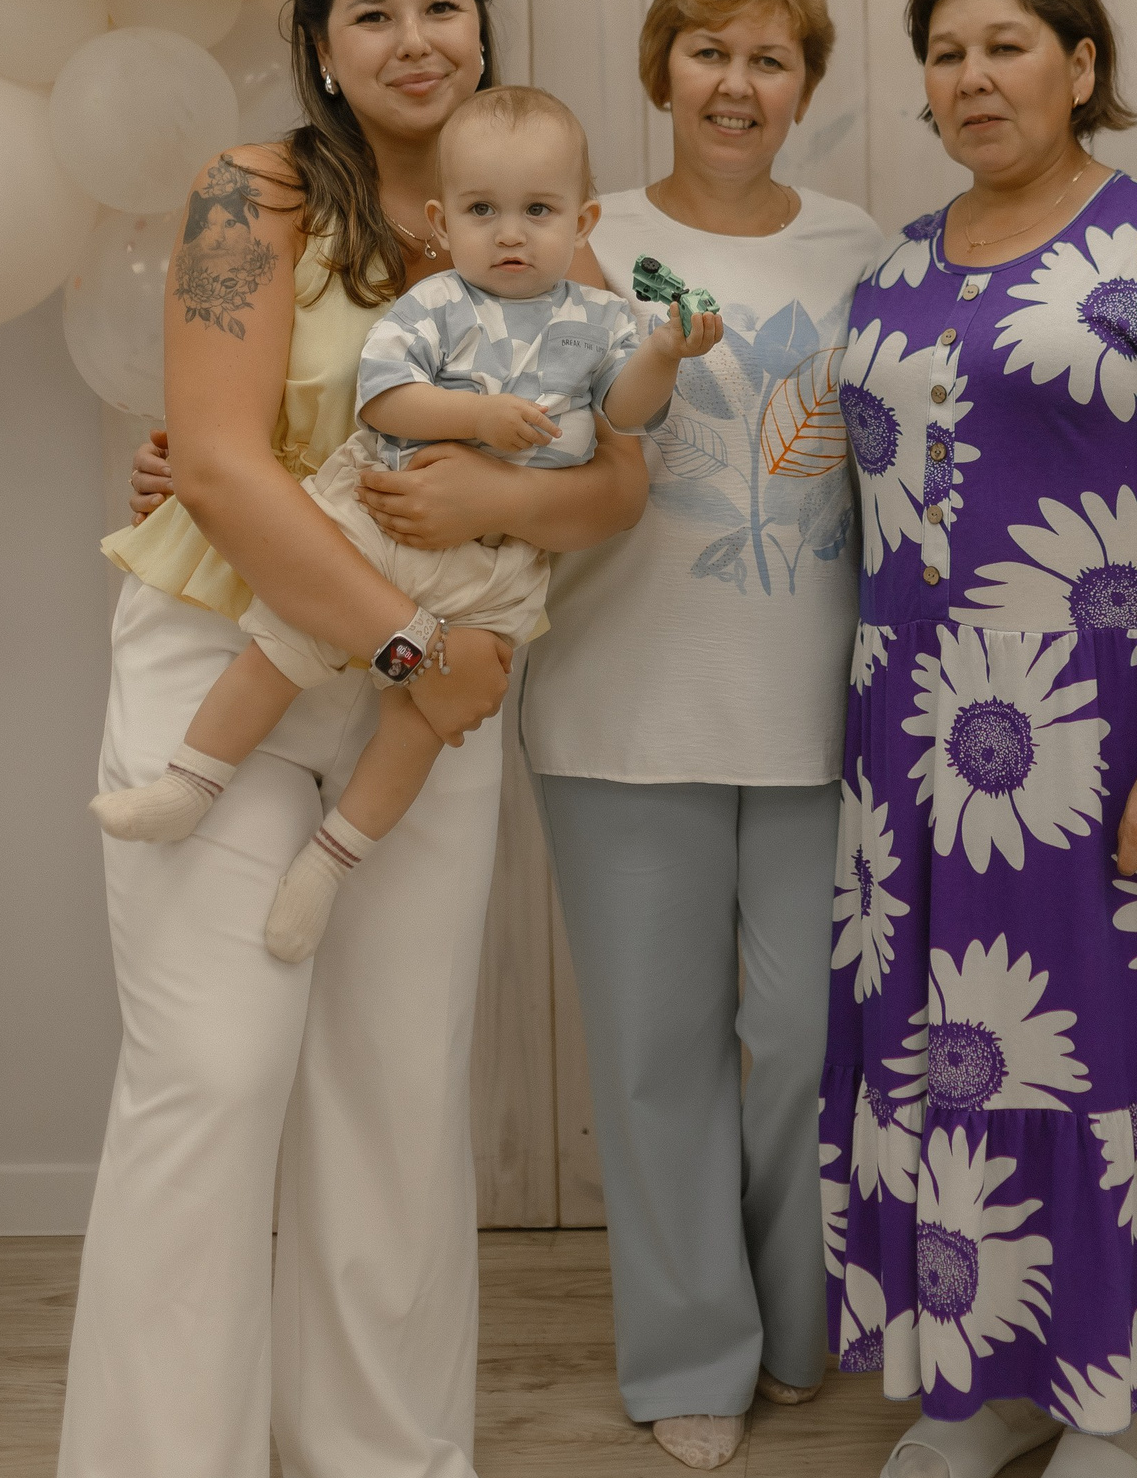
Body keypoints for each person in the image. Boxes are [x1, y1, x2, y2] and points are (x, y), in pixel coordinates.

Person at [37, 0, 648, 1478]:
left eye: (441, 5)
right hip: (243, 663)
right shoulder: (253, 198)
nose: (413, 39)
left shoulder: (539, 213)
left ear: (482, 27)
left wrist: (491, 526)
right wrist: (405, 641)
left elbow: (615, 486)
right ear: (320, 45)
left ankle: (384, 1473)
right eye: (371, 14)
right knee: (210, 1091)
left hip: (426, 700)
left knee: (395, 1086)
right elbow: (222, 468)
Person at [824, 0, 1137, 1478]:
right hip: (913, 755)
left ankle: (1119, 1402)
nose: (974, 77)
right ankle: (986, 1376)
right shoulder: (892, 268)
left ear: (1081, 67)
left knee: (1113, 1064)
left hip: (1099, 746)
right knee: (946, 1051)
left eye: (1008, 45)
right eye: (946, 50)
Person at [520, 0, 884, 1471]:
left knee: (805, 1041)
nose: (736, 84)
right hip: (617, 707)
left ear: (805, 86)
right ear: (661, 67)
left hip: (822, 721)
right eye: (709, 51)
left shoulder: (869, 251)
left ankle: (795, 1326)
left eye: (769, 59)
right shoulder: (576, 235)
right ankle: (689, 1356)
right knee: (656, 1053)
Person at [92, 87, 712, 965]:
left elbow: (624, 419)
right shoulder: (434, 300)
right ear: (444, 222)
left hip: (494, 570)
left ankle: (330, 862)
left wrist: (663, 353)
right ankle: (191, 783)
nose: (510, 234)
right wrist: (478, 419)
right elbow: (382, 396)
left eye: (538, 213)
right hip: (373, 539)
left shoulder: (599, 316)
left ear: (582, 222)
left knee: (419, 730)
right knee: (284, 648)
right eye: (483, 212)